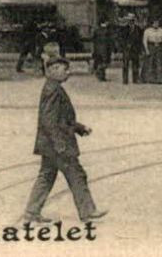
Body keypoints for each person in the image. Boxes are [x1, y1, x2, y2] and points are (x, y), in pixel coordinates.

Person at [22, 58, 106, 224]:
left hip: (50, 145)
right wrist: (59, 144)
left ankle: (32, 212)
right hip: (58, 145)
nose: (67, 72)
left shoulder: (53, 88)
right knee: (76, 175)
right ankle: (88, 211)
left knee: (46, 176)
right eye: (64, 69)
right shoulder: (53, 90)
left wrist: (79, 128)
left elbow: (61, 119)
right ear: (52, 70)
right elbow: (49, 121)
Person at [120, 16, 143, 85]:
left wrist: (140, 48)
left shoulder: (138, 29)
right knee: (125, 64)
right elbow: (121, 38)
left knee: (135, 64)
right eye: (130, 21)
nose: (131, 22)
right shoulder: (124, 29)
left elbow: (140, 39)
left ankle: (135, 79)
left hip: (135, 49)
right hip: (126, 49)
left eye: (132, 20)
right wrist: (124, 45)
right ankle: (125, 80)